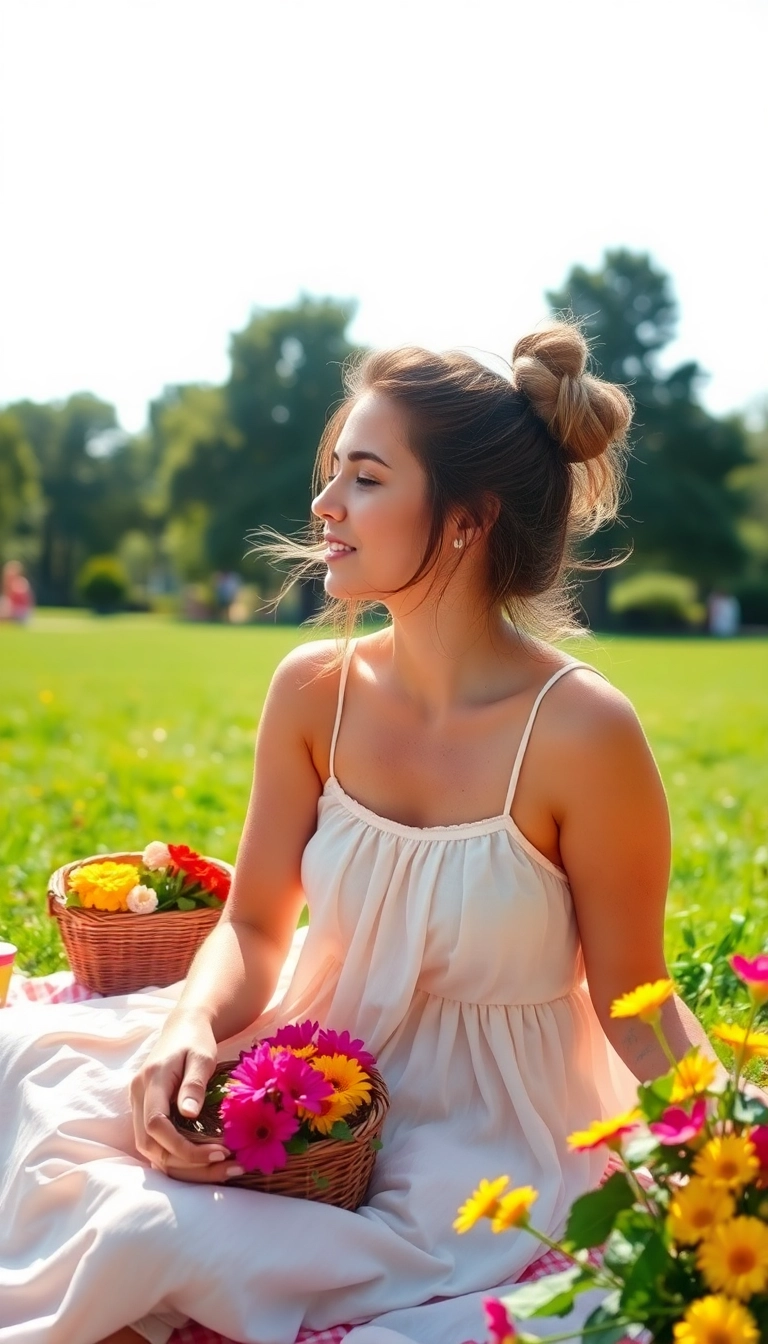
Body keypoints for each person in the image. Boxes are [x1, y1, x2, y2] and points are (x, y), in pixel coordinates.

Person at [0, 325, 727, 1344]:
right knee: (40, 1095)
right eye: (335, 471)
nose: (325, 505)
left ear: (468, 520)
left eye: (368, 477)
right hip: (308, 1050)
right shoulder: (312, 691)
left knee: (147, 1245)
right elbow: (256, 927)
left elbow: (634, 999)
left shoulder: (581, 732)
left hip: (486, 1136)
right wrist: (190, 1029)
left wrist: (734, 1136)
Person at [0, 559, 34, 624]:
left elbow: (15, 605)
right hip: (15, 613)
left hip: (21, 614)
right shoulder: (9, 585)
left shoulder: (20, 584)